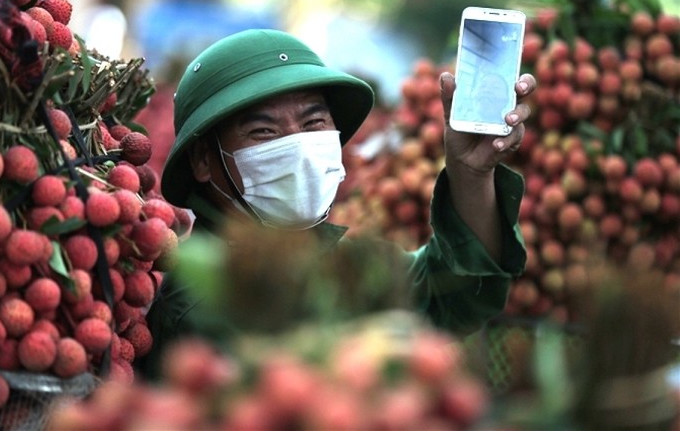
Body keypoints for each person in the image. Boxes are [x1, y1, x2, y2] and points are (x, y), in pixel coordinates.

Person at [136, 28, 534, 380]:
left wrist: (471, 172)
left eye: (313, 124)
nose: (299, 147)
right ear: (204, 160)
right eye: (264, 131)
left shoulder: (348, 264)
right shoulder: (199, 306)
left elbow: (456, 289)